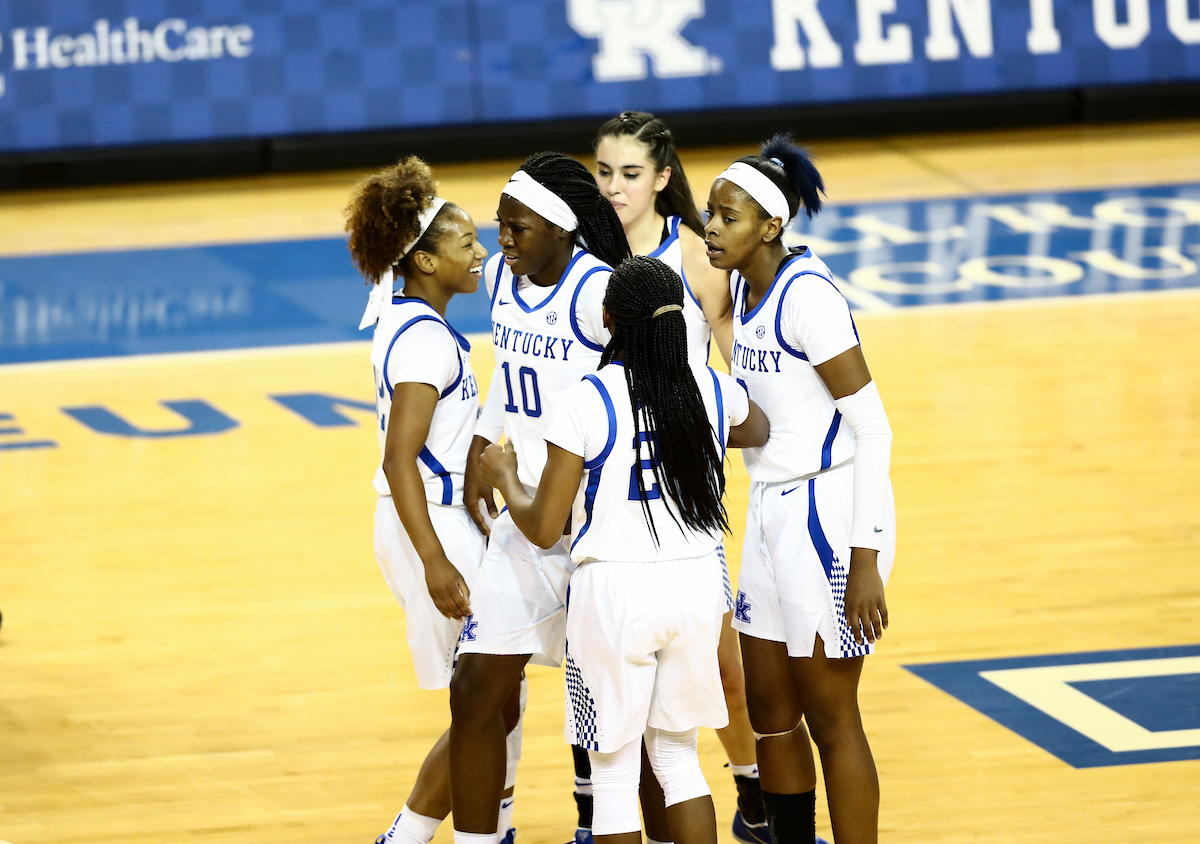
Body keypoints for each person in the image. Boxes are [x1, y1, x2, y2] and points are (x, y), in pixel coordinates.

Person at [478, 255, 769, 844]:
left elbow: (543, 527)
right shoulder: (707, 386)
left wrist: (506, 477)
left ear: (608, 319)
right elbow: (757, 427)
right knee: (679, 760)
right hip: (695, 587)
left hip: (614, 593)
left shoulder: (587, 399)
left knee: (613, 770)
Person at [704, 135, 896, 844]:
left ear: (772, 226)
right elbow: (762, 405)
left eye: (728, 217)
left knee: (830, 715)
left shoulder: (808, 298)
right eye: (710, 214)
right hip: (772, 506)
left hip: (829, 510)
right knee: (769, 709)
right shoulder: (745, 293)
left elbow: (874, 429)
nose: (713, 228)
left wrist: (866, 557)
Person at [450, 152, 633, 844]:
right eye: (499, 224)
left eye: (517, 226)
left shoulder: (600, 291)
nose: (503, 238)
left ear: (561, 227)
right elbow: (505, 368)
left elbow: (639, 396)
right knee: (474, 692)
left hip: (595, 530)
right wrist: (479, 441)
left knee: (619, 723)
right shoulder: (504, 277)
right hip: (524, 523)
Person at [594, 111, 766, 844]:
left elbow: (740, 362)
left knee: (724, 668)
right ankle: (613, 816)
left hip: (682, 491)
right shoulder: (581, 249)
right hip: (605, 489)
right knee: (612, 684)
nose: (613, 187)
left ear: (663, 179)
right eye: (603, 172)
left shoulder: (694, 252)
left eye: (630, 174)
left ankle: (755, 797)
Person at [344, 156, 513, 844]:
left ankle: (448, 832)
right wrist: (436, 559)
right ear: (421, 261)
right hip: (430, 528)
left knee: (494, 698)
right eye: (466, 245)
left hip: (431, 522)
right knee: (486, 702)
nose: (481, 254)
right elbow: (398, 458)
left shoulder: (413, 319)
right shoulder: (421, 341)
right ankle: (415, 834)